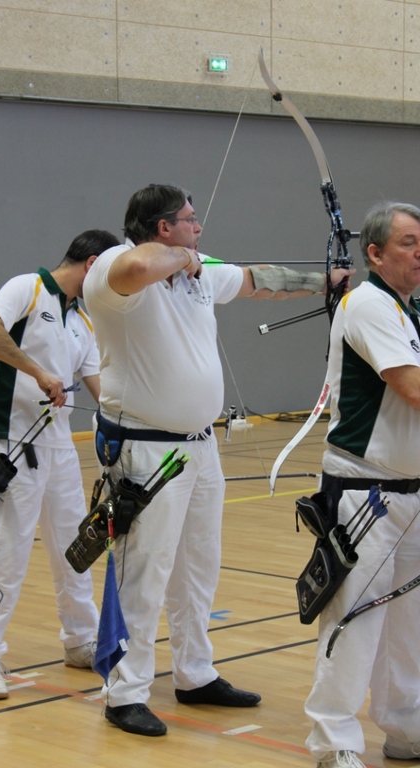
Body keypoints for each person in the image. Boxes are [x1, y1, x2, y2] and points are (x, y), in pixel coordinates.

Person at [82, 182, 354, 737]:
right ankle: (124, 692)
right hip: (147, 449)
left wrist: (323, 282)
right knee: (145, 569)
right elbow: (140, 268)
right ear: (163, 228)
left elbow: (256, 280)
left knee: (198, 566)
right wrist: (186, 259)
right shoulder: (112, 267)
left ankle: (195, 673)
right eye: (189, 219)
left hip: (200, 446)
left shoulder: (196, 269)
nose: (198, 226)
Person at [0, 228, 120, 699]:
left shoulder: (84, 321)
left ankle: (79, 639)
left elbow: (102, 391)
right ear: (92, 265)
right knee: (7, 552)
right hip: (12, 445)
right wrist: (37, 372)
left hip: (60, 449)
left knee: (75, 548)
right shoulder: (27, 289)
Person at [304, 202, 420, 768]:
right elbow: (411, 387)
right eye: (408, 242)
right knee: (355, 617)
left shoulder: (409, 309)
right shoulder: (369, 304)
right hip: (366, 493)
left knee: (409, 624)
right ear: (374, 253)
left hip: (411, 490)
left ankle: (406, 728)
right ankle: (335, 741)